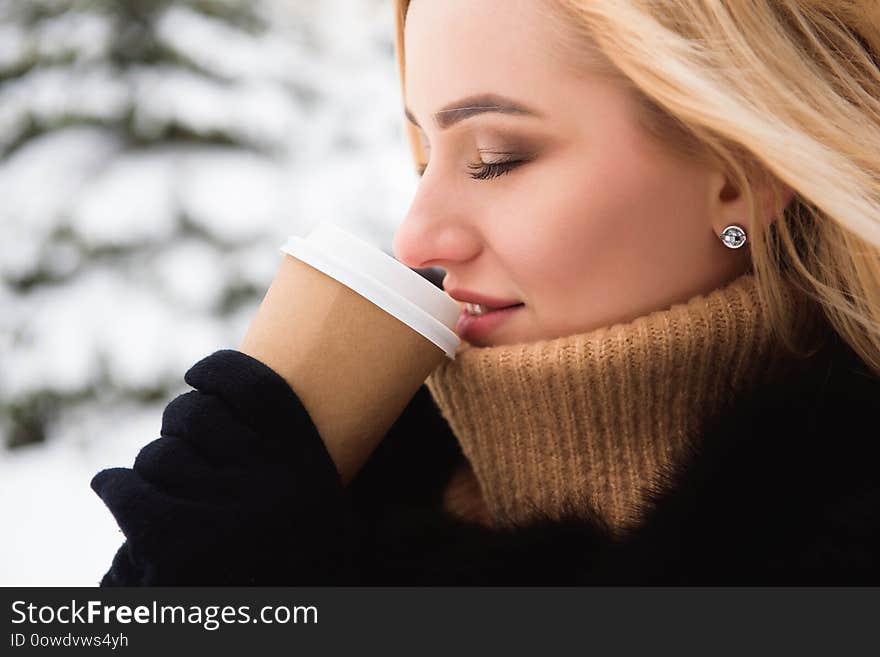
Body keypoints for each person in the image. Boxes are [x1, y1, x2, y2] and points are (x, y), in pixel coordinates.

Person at [90, 0, 880, 585]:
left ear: (742, 169)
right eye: (424, 153)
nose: (416, 237)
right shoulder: (340, 486)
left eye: (496, 157)